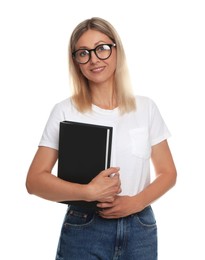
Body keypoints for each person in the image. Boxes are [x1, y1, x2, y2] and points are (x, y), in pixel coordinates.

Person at [26, 17, 177, 260]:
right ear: (76, 62)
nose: (94, 58)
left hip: (140, 229)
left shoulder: (146, 108)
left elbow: (168, 173)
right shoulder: (65, 111)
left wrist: (136, 203)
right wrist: (88, 192)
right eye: (83, 53)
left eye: (102, 48)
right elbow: (34, 181)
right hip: (84, 227)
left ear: (117, 50)